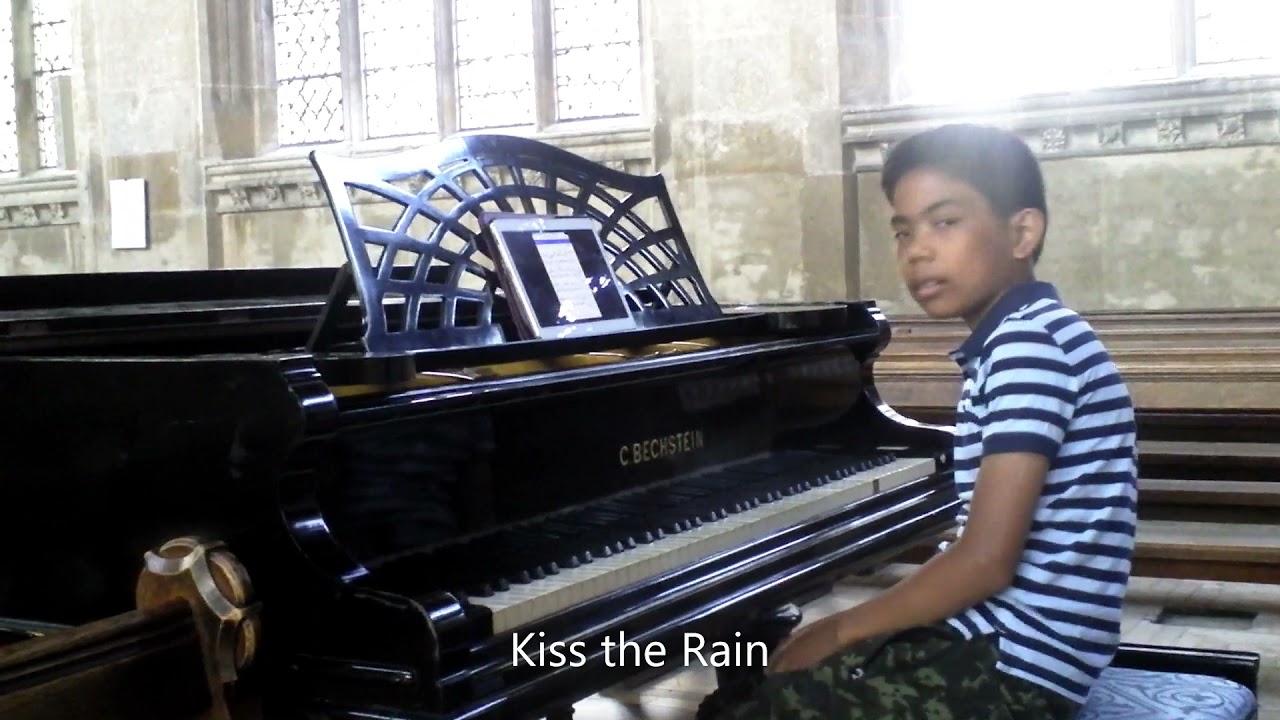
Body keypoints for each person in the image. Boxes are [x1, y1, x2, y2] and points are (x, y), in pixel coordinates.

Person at [701, 123, 1138, 719]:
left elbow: (985, 561)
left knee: (759, 705)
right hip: (1022, 650)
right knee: (768, 686)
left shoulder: (1027, 347)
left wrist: (841, 629)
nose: (917, 250)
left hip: (1015, 669)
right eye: (903, 231)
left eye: (945, 222)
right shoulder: (1038, 333)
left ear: (1022, 232)